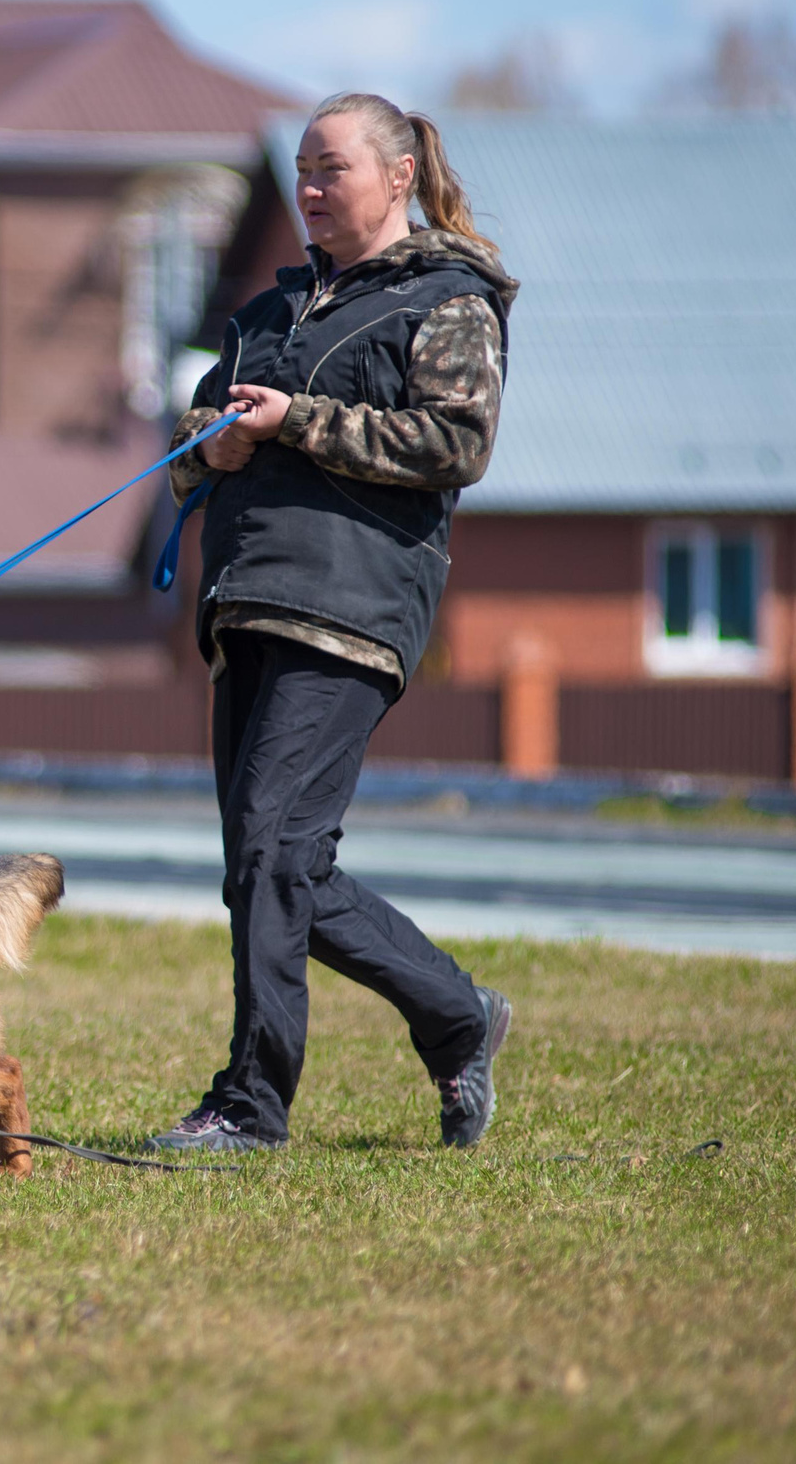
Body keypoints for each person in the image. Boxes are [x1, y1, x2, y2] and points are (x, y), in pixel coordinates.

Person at [149, 93, 518, 1154]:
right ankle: (456, 1014)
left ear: (396, 177)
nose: (307, 189)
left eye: (330, 170)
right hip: (247, 601)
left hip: (350, 610)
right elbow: (189, 441)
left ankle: (249, 1105)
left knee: (271, 852)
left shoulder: (448, 301)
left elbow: (455, 443)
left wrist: (295, 419)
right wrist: (207, 445)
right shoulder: (267, 312)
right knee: (272, 866)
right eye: (302, 171)